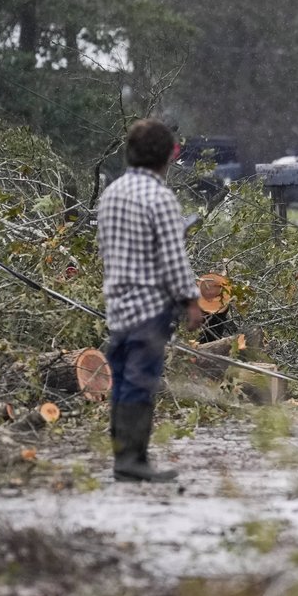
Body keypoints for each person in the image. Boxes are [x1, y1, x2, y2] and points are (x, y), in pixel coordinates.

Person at [97, 118, 204, 482]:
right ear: (168, 157)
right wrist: (191, 300)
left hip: (117, 305)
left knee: (123, 378)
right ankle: (132, 461)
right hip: (149, 308)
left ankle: (123, 456)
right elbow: (174, 261)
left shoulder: (110, 193)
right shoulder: (160, 197)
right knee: (140, 381)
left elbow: (107, 250)